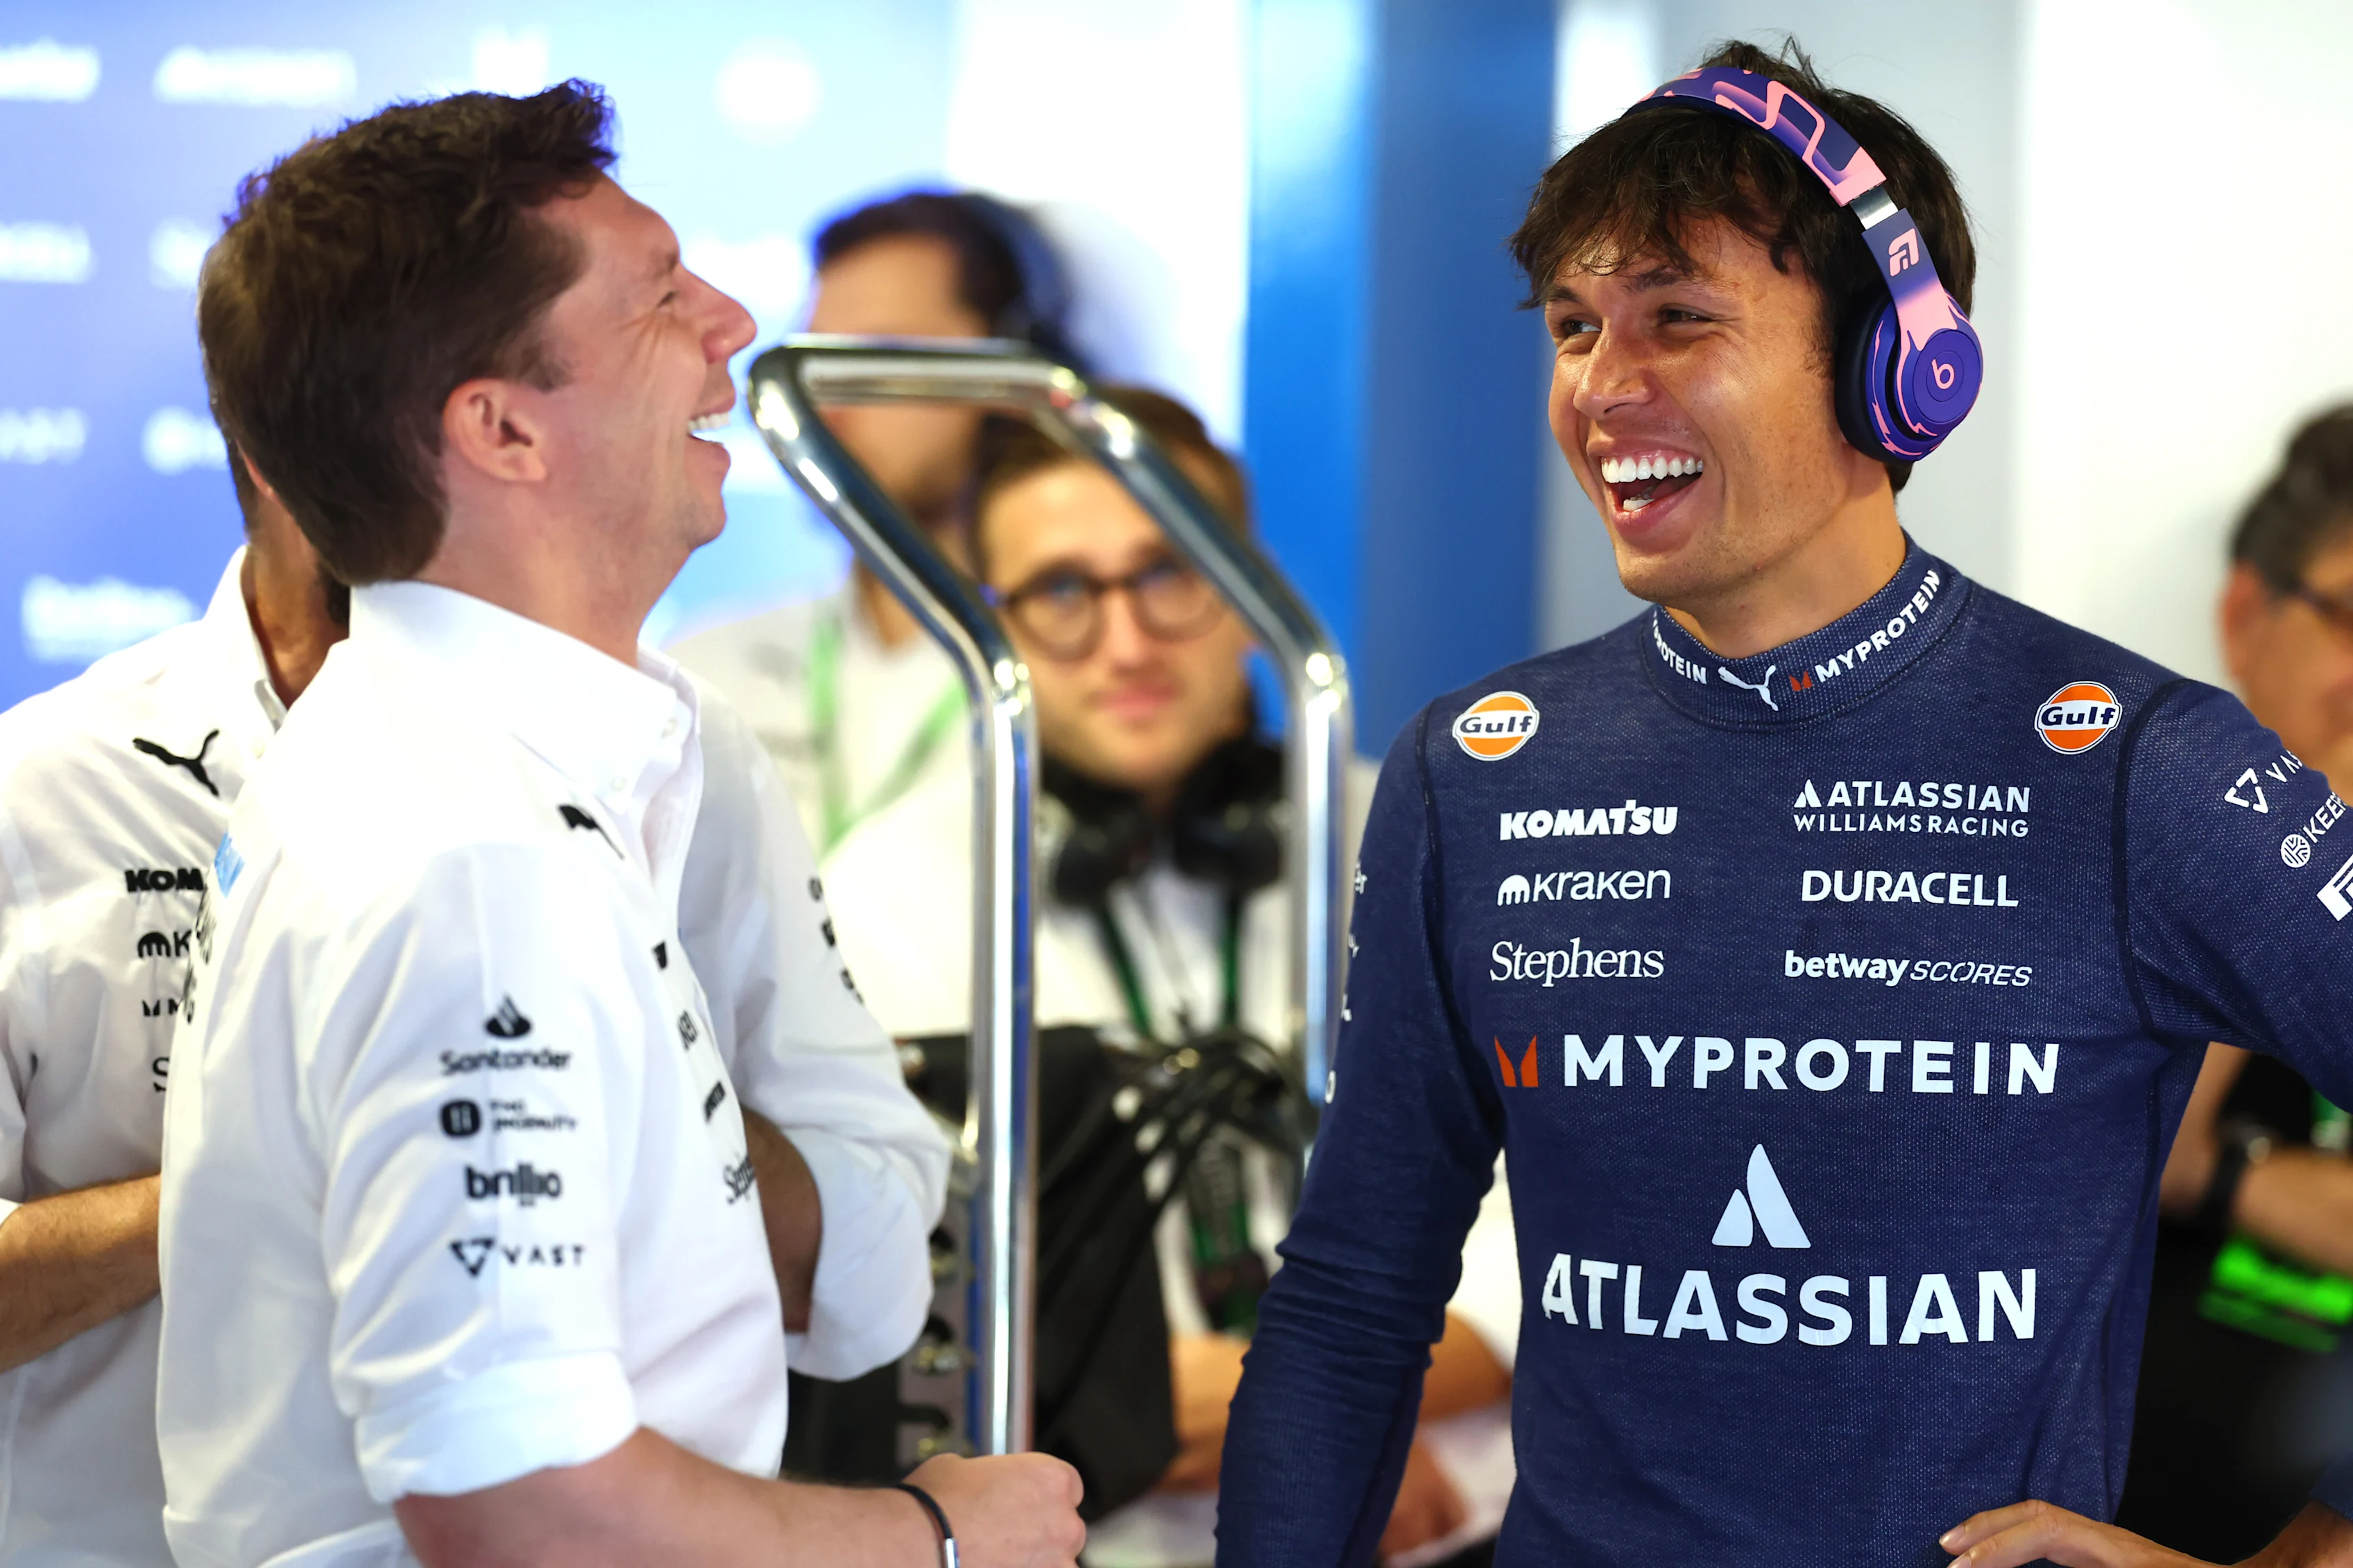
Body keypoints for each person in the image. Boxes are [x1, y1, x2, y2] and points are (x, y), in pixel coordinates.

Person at [1215, 40, 2353, 1568]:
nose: (1604, 387)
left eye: (1680, 318)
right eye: (1571, 326)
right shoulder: (1472, 768)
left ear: (1899, 358)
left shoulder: (2135, 763)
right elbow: (1356, 1285)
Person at [155, 82, 1082, 1567]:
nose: (732, 323)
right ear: (505, 430)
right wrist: (935, 1535)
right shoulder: (466, 849)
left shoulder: (537, 762)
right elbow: (518, 1499)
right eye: (661, 298)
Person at [820, 387, 1518, 1568]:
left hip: (1445, 1522)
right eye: (1060, 593)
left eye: (1169, 573)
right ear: (990, 625)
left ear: (1248, 590)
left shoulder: (1430, 837)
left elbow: (1552, 1217)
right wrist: (1315, 1417)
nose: (1128, 641)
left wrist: (1327, 1412)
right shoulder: (891, 887)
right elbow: (913, 1314)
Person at [672, 189, 1085, 859]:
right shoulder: (702, 677)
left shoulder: (1096, 678)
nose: (828, 407)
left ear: (1015, 370)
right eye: (814, 364)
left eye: (879, 359)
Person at [2117, 407, 2353, 1558]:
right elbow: (2145, 1149)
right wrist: (2287, 857)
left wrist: (2225, 1176)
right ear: (2244, 617)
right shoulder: (2122, 861)